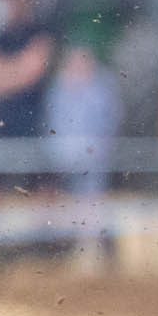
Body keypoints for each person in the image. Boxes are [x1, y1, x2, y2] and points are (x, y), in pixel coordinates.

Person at [42, 41, 120, 266]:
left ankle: (89, 250)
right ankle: (70, 251)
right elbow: (53, 123)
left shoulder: (100, 89)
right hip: (65, 159)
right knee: (68, 203)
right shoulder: (59, 89)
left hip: (92, 159)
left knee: (91, 201)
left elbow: (109, 120)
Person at [0, 0, 58, 149]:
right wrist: (16, 68)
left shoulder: (41, 33)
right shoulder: (0, 37)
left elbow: (29, 72)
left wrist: (4, 70)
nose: (15, 2)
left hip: (31, 130)